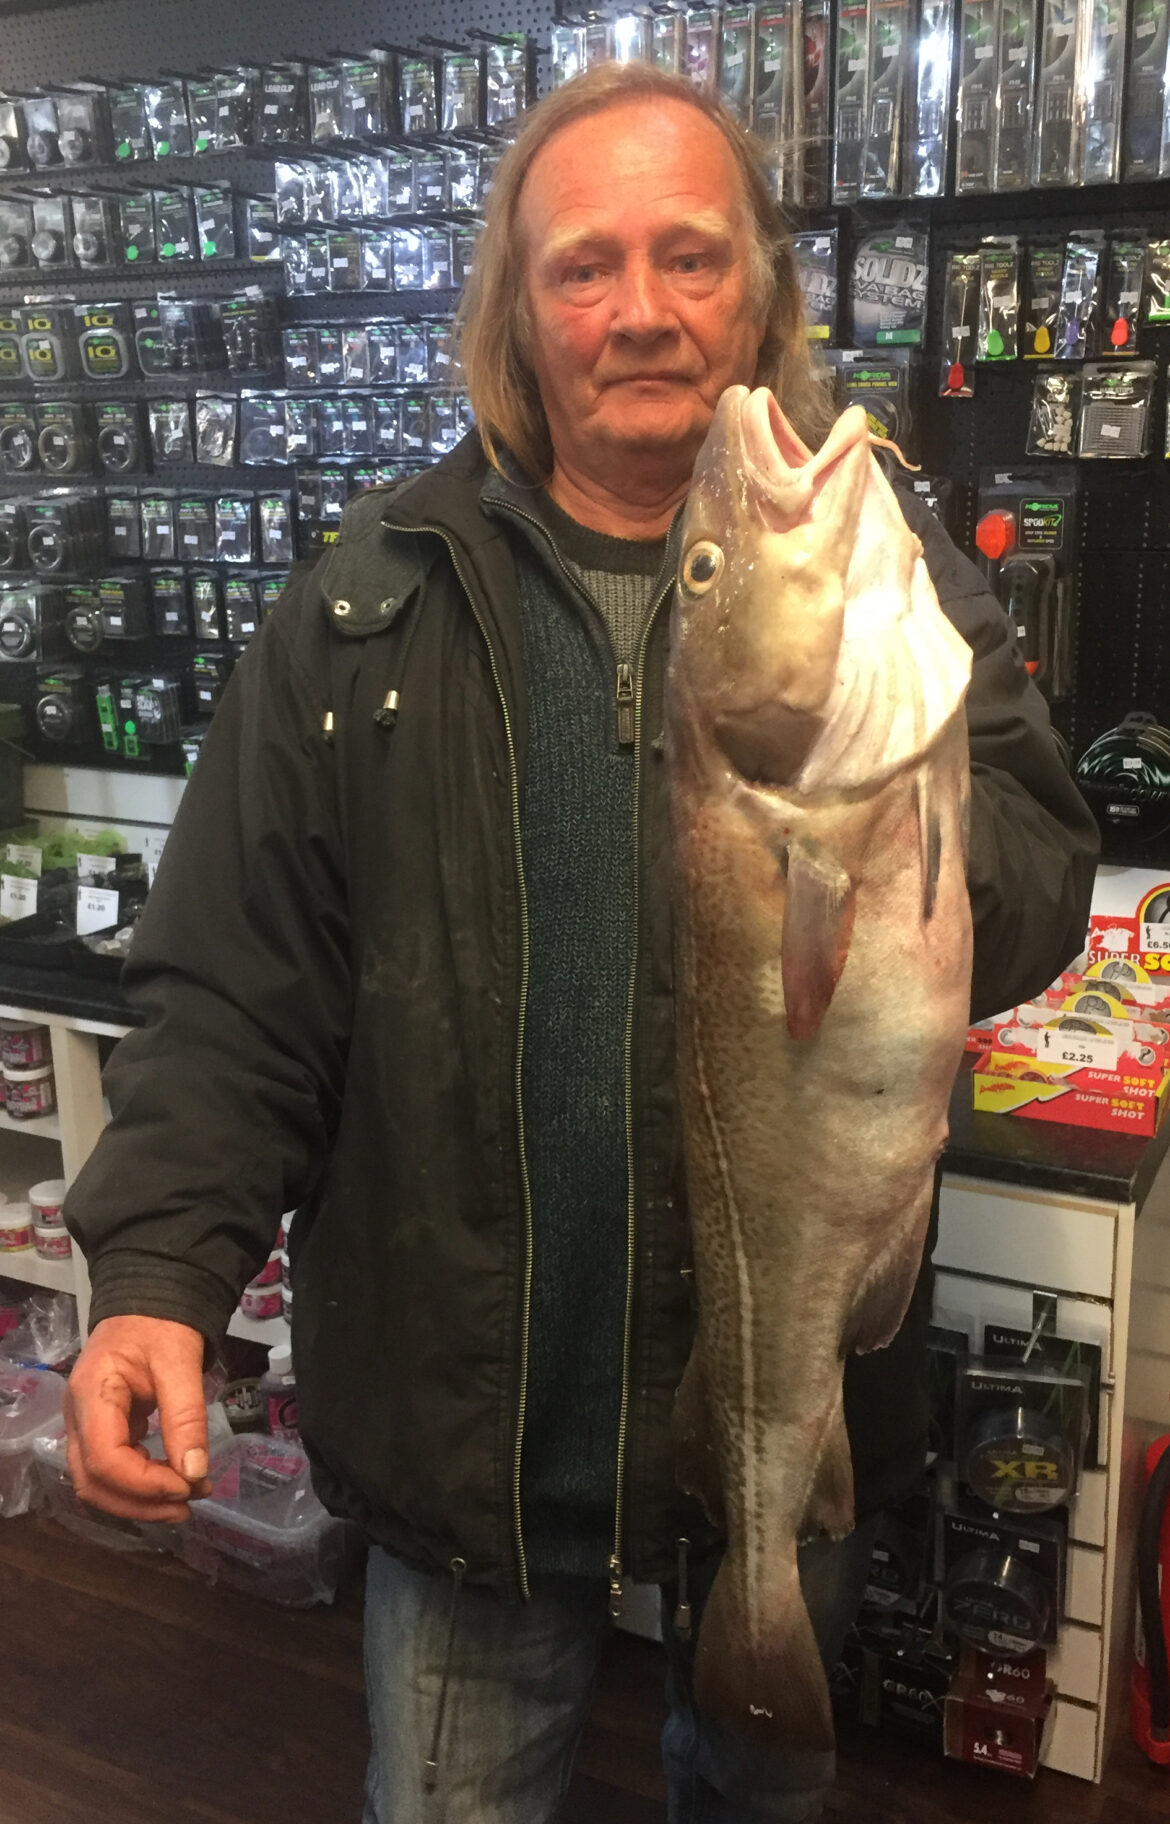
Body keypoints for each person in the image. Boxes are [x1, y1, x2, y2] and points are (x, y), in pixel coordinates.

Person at [63, 63, 1098, 1824]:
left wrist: (885, 834)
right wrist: (159, 1275)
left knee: (760, 1793)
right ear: (516, 310)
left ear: (759, 291)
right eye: (584, 265)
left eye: (690, 256)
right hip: (470, 1440)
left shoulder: (878, 566)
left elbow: (1039, 879)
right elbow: (235, 990)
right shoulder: (364, 607)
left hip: (783, 1400)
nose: (640, 310)